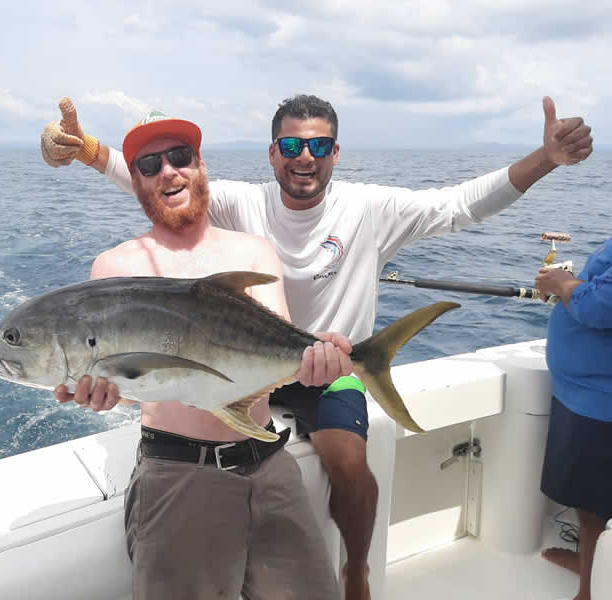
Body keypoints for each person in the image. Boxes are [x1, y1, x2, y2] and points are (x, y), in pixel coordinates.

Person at [42, 94, 593, 600]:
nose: (304, 157)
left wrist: (545, 158)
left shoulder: (367, 208)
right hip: (251, 372)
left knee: (351, 461)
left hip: (331, 364)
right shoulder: (239, 204)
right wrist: (88, 151)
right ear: (273, 153)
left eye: (318, 146)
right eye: (291, 146)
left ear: (334, 152)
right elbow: (160, 179)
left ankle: (357, 566)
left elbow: (459, 206)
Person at [64, 109, 354, 600]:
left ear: (200, 166)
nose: (168, 171)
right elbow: (127, 385)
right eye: (149, 165)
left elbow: (275, 352)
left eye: (179, 156)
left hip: (269, 462)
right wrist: (103, 394)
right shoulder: (115, 267)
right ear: (135, 182)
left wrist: (321, 356)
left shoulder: (255, 252)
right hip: (178, 474)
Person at [534, 241, 612, 600]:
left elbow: (602, 306)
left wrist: (563, 284)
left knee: (595, 504)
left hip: (599, 404)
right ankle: (593, 564)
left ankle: (589, 590)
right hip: (587, 395)